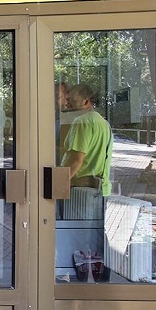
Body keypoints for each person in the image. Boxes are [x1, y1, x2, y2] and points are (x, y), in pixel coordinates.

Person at [60, 83, 114, 220]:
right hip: (100, 189)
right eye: (67, 100)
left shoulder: (82, 122)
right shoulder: (103, 123)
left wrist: (58, 185)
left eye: (72, 100)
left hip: (82, 191)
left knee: (75, 230)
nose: (67, 104)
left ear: (86, 102)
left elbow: (76, 159)